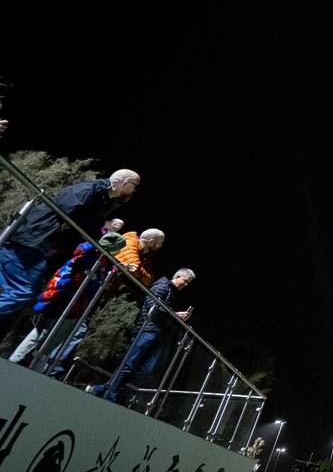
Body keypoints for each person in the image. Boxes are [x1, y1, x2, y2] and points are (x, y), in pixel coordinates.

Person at [0, 170, 140, 335]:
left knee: (25, 298)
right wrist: (104, 223)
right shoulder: (88, 189)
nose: (134, 192)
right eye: (134, 187)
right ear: (125, 183)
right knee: (21, 293)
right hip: (31, 241)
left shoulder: (104, 200)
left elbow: (88, 227)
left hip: (43, 249)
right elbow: (68, 211)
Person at [7, 220, 124, 365]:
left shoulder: (103, 264)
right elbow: (71, 274)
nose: (119, 254)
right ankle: (23, 363)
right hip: (64, 300)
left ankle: (29, 363)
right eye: (118, 250)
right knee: (44, 333)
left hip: (73, 303)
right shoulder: (88, 257)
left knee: (45, 334)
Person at [89, 268, 194, 402]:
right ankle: (111, 394)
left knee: (143, 368)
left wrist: (175, 315)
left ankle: (103, 389)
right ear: (178, 276)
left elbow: (161, 308)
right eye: (185, 282)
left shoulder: (171, 292)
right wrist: (175, 314)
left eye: (187, 284)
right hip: (147, 329)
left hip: (156, 331)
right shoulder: (163, 285)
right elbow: (153, 305)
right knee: (130, 364)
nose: (185, 285)